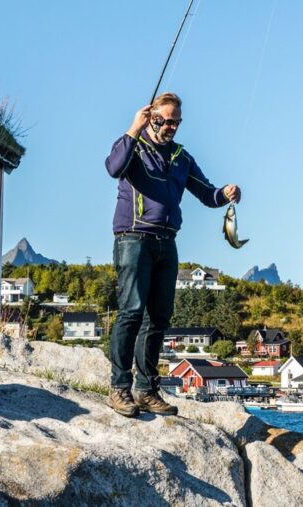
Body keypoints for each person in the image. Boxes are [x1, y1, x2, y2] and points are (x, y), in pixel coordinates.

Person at [103, 92, 240, 417]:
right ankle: (119, 388)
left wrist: (227, 194)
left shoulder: (181, 156)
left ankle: (147, 389)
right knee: (131, 312)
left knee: (159, 318)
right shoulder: (133, 146)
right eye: (163, 121)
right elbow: (113, 168)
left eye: (175, 123)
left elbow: (207, 194)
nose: (169, 127)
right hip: (133, 238)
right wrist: (132, 129)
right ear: (151, 118)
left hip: (168, 241)